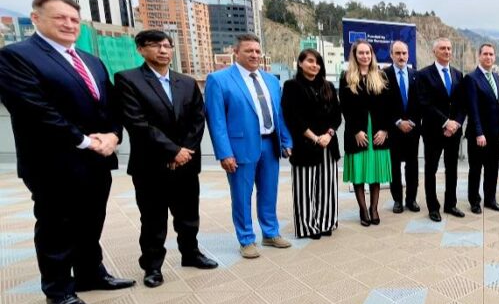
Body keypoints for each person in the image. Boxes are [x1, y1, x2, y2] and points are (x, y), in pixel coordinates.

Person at [0, 0, 134, 304]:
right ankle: (59, 290)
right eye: (60, 18)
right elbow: (35, 110)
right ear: (36, 19)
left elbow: (112, 105)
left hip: (97, 160)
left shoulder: (91, 60)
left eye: (74, 19)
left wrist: (114, 135)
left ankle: (90, 273)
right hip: (52, 162)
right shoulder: (16, 57)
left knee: (91, 220)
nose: (69, 24)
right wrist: (85, 140)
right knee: (56, 225)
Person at [114, 29, 218, 289]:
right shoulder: (128, 80)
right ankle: (152, 266)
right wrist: (172, 150)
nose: (163, 50)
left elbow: (197, 119)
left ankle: (191, 254)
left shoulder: (186, 82)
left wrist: (185, 151)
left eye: (167, 45)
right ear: (140, 49)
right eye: (155, 45)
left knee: (188, 215)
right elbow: (137, 123)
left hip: (185, 163)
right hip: (150, 165)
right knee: (152, 219)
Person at [205, 34, 293, 259]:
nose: (254, 55)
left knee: (269, 192)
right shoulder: (219, 79)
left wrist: (286, 141)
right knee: (242, 195)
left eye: (257, 51)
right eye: (249, 51)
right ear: (236, 52)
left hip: (269, 145)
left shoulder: (271, 80)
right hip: (240, 148)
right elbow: (216, 121)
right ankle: (246, 239)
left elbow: (279, 114)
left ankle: (270, 233)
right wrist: (224, 153)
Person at [282, 49, 342, 239]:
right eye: (309, 61)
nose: (314, 65)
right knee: (305, 189)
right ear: (300, 63)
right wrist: (315, 137)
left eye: (317, 62)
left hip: (328, 144)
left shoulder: (328, 86)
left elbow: (336, 115)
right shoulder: (291, 86)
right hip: (304, 145)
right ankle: (308, 226)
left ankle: (326, 222)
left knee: (327, 187)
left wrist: (329, 134)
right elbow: (292, 117)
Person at [341, 40, 394, 227]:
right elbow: (345, 108)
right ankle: (363, 209)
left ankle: (374, 208)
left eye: (368, 53)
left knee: (375, 174)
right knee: (359, 173)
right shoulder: (346, 77)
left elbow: (389, 107)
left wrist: (385, 130)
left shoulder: (381, 76)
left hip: (378, 131)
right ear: (355, 55)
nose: (365, 56)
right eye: (361, 53)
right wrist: (356, 131)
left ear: (372, 55)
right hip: (358, 132)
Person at [416, 38, 466, 222]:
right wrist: (446, 122)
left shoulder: (458, 74)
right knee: (431, 170)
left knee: (452, 169)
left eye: (449, 48)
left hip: (454, 133)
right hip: (433, 131)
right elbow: (425, 103)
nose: (447, 51)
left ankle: (450, 204)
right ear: (434, 51)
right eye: (443, 48)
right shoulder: (423, 75)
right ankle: (433, 207)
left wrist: (456, 123)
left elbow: (462, 104)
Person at [464, 43, 499, 213]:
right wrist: (479, 133)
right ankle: (474, 201)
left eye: (491, 54)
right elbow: (472, 109)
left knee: (492, 169)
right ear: (479, 56)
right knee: (475, 169)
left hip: (495, 134)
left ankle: (490, 199)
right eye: (485, 54)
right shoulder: (472, 78)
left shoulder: (496, 77)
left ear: (494, 57)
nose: (488, 57)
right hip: (478, 135)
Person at [384, 41, 422, 214]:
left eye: (404, 53)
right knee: (395, 166)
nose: (401, 56)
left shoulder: (416, 75)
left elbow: (420, 102)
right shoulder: (384, 75)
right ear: (391, 54)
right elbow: (382, 104)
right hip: (394, 129)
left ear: (408, 55)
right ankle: (397, 200)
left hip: (413, 129)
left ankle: (411, 199)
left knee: (412, 165)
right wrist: (398, 122)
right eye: (397, 53)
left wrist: (412, 122)